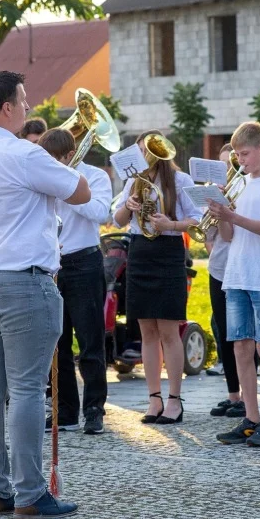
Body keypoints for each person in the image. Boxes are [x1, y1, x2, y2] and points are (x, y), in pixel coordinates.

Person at [0, 70, 90, 519]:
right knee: (27, 390)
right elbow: (82, 192)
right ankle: (30, 493)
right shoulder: (24, 154)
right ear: (7, 107)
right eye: (24, 102)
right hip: (24, 281)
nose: (28, 109)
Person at [210, 121, 260, 447]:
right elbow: (229, 237)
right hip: (236, 273)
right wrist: (220, 215)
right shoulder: (238, 184)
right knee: (240, 346)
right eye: (238, 155)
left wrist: (233, 217)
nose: (240, 160)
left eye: (245, 154)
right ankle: (251, 417)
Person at [112, 130, 201, 426]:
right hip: (139, 252)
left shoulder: (181, 181)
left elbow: (198, 221)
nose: (143, 156)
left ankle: (174, 400)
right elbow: (118, 220)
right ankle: (154, 398)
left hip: (168, 252)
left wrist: (170, 223)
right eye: (140, 151)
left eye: (146, 150)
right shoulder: (133, 181)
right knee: (146, 330)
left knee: (168, 330)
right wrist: (130, 203)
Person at [39, 128, 112, 435]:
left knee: (90, 340)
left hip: (84, 261)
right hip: (52, 264)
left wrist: (70, 190)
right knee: (58, 343)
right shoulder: (45, 176)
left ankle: (94, 409)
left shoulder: (95, 177)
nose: (50, 165)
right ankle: (64, 411)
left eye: (55, 160)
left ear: (69, 156)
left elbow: (101, 212)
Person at [206, 144, 247, 419]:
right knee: (222, 332)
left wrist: (225, 211)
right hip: (218, 267)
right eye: (222, 166)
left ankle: (247, 396)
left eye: (231, 165)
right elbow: (209, 237)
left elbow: (231, 234)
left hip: (242, 269)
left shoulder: (245, 189)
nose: (228, 172)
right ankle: (233, 395)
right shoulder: (217, 190)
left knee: (241, 336)